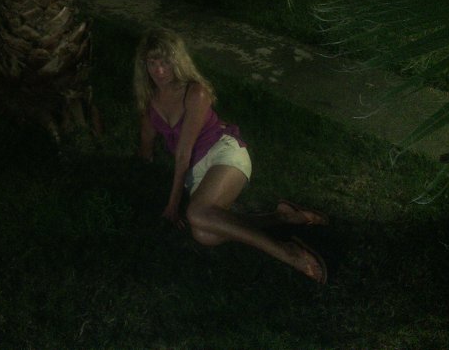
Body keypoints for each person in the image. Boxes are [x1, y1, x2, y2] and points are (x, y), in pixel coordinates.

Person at [134, 28, 329, 284]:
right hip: (196, 173)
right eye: (152, 63)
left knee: (197, 213)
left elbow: (183, 153)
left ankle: (287, 252)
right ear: (144, 65)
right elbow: (145, 149)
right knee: (205, 235)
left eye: (165, 62)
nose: (159, 70)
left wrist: (172, 205)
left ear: (177, 61)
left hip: (223, 153)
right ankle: (281, 217)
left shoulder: (194, 92)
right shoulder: (150, 106)